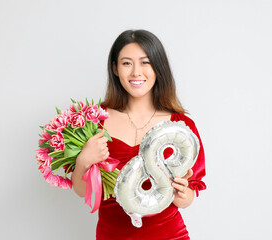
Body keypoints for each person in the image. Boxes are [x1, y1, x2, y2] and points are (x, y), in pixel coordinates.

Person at [71, 29, 206, 240]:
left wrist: (183, 192)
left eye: (145, 62)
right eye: (126, 63)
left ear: (158, 68)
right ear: (115, 68)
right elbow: (82, 191)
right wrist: (83, 161)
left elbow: (186, 199)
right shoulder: (94, 121)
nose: (136, 72)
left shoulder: (180, 126)